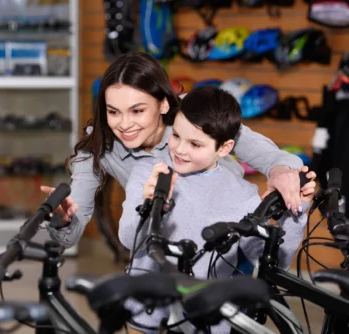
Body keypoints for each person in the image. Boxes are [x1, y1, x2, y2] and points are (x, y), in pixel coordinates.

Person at [41, 51, 305, 248]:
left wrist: (281, 172)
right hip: (170, 250)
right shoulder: (97, 147)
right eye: (113, 112)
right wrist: (63, 219)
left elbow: (270, 156)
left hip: (228, 239)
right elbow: (71, 234)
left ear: (164, 105)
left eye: (137, 110)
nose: (124, 124)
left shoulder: (196, 112)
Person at [118, 86, 316, 333]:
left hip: (205, 316)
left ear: (224, 148)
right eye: (176, 136)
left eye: (195, 144)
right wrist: (149, 205)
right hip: (145, 306)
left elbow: (274, 263)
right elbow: (128, 239)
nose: (180, 149)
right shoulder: (149, 173)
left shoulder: (244, 197)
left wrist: (298, 212)